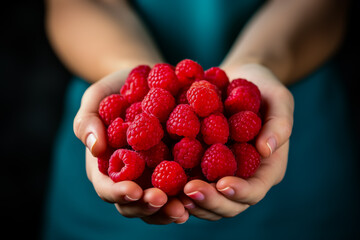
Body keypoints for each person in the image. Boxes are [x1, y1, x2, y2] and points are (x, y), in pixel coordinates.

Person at [42, 0, 359, 239]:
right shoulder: (142, 123)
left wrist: (260, 61)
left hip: (298, 185)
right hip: (99, 219)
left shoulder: (224, 122)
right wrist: (131, 68)